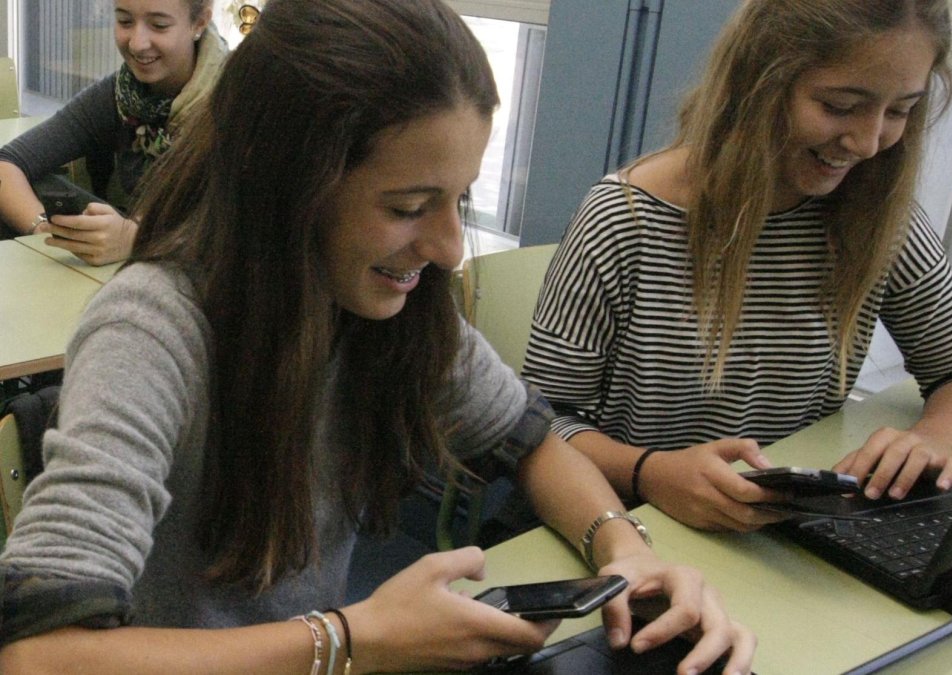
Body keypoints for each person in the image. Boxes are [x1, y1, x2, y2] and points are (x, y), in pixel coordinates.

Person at [0, 1, 755, 673]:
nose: (450, 247)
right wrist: (348, 638)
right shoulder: (152, 330)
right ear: (288, 188)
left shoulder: (385, 305)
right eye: (408, 206)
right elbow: (42, 656)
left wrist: (624, 551)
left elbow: (532, 440)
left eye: (458, 199)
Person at [521, 0, 952, 533]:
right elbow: (540, 428)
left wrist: (931, 440)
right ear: (757, 84)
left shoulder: (878, 218)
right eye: (840, 106)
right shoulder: (624, 219)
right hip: (633, 521)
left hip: (782, 529)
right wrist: (650, 473)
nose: (869, 143)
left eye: (899, 111)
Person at [0, 0, 226, 265]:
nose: (137, 43)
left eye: (159, 25)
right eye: (125, 22)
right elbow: (8, 162)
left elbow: (248, 228)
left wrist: (136, 238)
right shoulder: (120, 93)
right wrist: (45, 229)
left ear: (199, 23)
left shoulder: (238, 99)